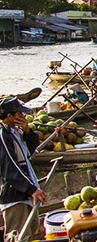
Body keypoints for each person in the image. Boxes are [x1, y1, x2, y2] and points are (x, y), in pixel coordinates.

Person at [0, 97, 45, 242]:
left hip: (24, 191)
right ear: (9, 116)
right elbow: (10, 168)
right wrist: (32, 190)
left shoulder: (16, 133)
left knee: (33, 226)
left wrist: (27, 131)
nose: (24, 117)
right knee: (18, 236)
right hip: (15, 194)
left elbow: (30, 153)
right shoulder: (3, 136)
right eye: (20, 115)